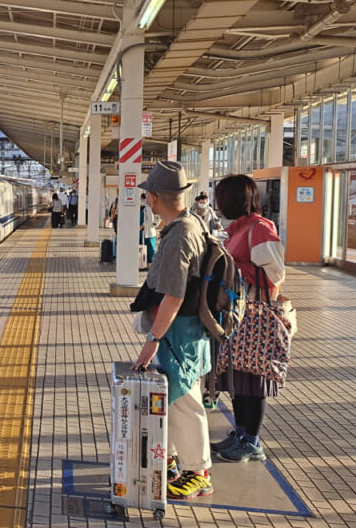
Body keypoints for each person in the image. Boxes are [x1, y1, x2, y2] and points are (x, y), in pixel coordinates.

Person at [130, 161, 213, 500]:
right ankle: (179, 462)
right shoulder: (189, 222)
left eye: (148, 195)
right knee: (177, 398)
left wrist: (152, 341)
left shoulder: (180, 234)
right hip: (184, 332)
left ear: (155, 197)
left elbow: (175, 294)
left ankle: (199, 472)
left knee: (185, 402)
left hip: (179, 333)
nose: (147, 201)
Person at [210, 175, 287, 463]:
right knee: (239, 378)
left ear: (234, 200)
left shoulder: (259, 228)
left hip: (254, 316)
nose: (217, 205)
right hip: (237, 317)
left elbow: (274, 275)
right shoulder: (236, 229)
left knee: (252, 381)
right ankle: (240, 433)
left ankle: (252, 441)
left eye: (221, 199)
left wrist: (234, 268)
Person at [139, 192, 158, 270]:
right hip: (145, 232)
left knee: (150, 248)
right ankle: (146, 264)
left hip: (149, 232)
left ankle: (150, 265)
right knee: (145, 247)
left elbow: (151, 220)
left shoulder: (148, 208)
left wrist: (143, 225)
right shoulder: (143, 207)